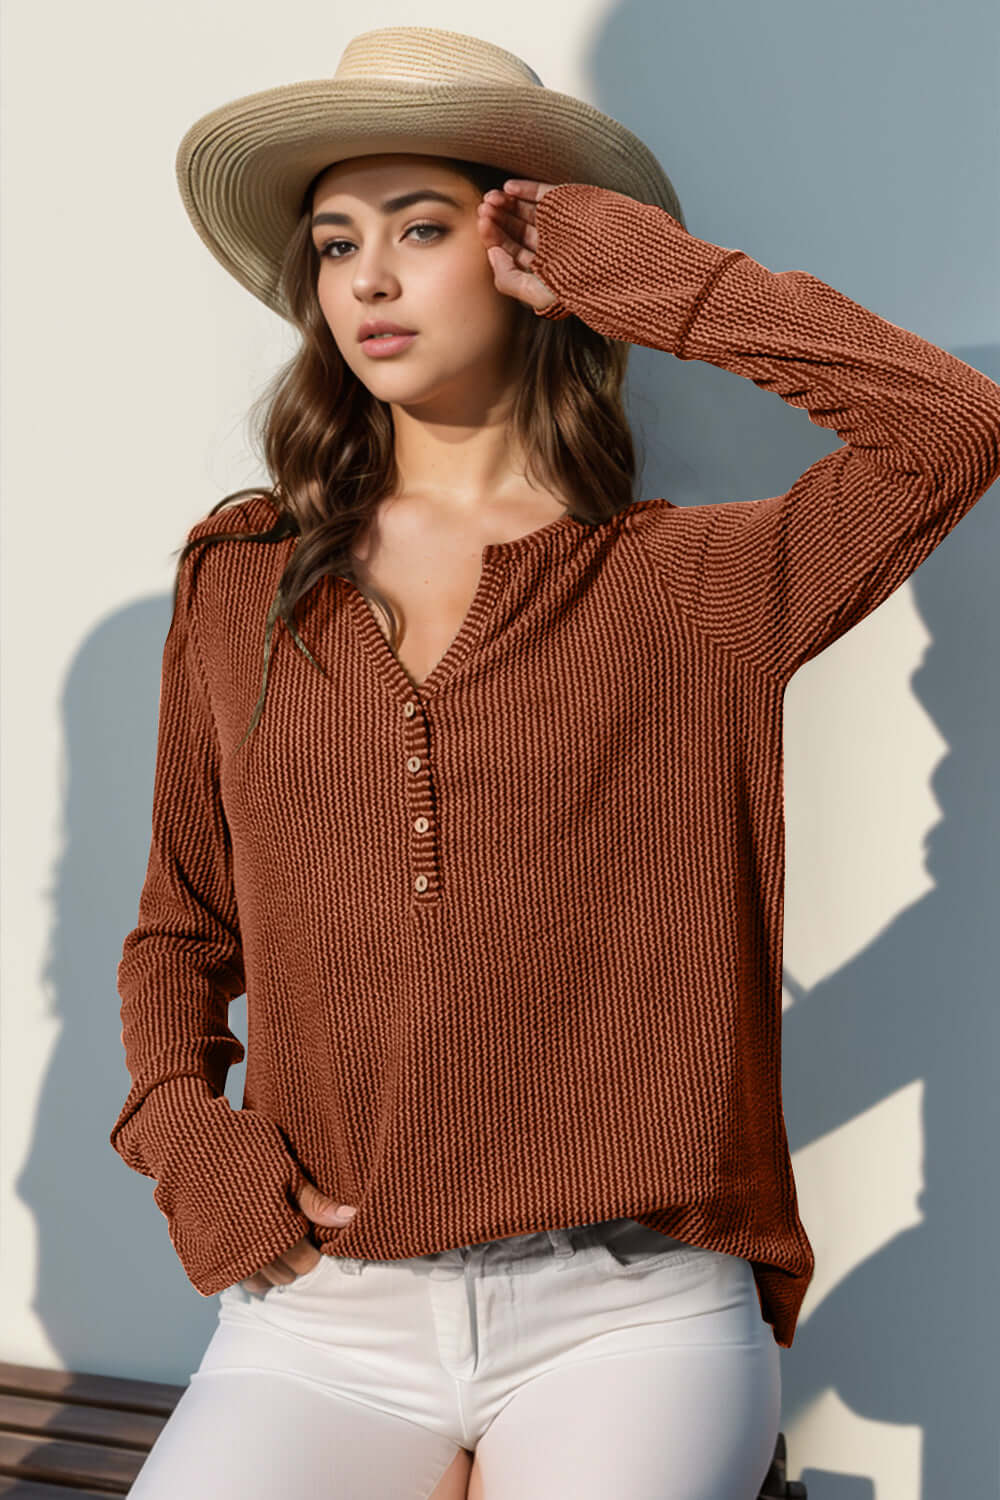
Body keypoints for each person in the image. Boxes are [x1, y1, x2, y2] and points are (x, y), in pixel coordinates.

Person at [111, 24, 1000, 1500]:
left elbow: (948, 428)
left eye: (421, 228)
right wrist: (182, 1134)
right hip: (323, 1315)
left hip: (632, 1315)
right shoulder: (245, 579)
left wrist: (651, 278)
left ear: (529, 256)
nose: (368, 280)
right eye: (334, 244)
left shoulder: (697, 587)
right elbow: (177, 927)